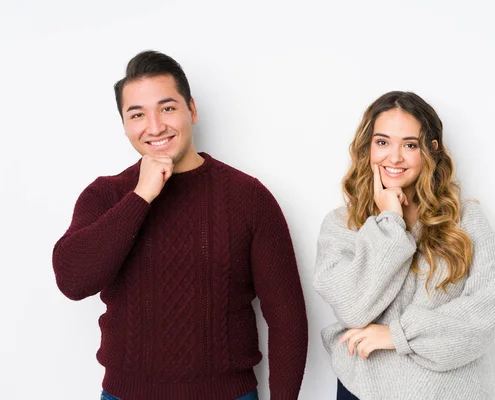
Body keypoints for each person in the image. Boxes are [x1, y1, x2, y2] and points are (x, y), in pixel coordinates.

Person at [52, 50, 308, 400]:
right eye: (137, 114)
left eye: (167, 108)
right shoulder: (107, 195)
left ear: (193, 110)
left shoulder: (248, 197)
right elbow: (72, 280)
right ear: (125, 125)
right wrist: (141, 196)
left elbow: (286, 316)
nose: (155, 126)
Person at [313, 91, 495, 399]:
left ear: (431, 150)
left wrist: (397, 335)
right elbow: (353, 309)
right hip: (365, 390)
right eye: (382, 142)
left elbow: (490, 312)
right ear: (367, 148)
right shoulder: (342, 226)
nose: (394, 157)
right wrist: (390, 220)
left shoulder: (465, 219)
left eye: (410, 144)